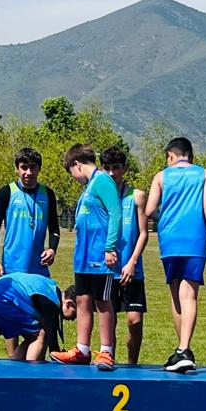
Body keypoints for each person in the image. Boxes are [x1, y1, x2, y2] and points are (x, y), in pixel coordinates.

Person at [145, 137, 206, 373]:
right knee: (189, 296)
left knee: (176, 295)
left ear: (170, 155)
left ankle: (181, 350)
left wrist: (166, 215)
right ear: (190, 155)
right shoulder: (204, 174)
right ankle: (184, 349)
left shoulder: (161, 176)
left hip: (169, 240)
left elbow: (149, 210)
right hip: (195, 239)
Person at [51, 143, 121, 370]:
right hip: (83, 257)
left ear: (77, 164)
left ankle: (106, 351)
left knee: (102, 301)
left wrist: (110, 247)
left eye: (71, 172)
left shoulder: (102, 181)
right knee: (82, 300)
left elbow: (115, 213)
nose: (73, 177)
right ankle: (82, 350)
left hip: (99, 256)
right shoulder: (89, 187)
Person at [0, 146, 61, 355]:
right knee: (13, 321)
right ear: (17, 168)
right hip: (12, 266)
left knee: (41, 321)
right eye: (24, 167)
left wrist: (52, 249)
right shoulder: (7, 192)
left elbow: (55, 229)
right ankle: (13, 361)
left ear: (39, 169)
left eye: (33, 167)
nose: (28, 172)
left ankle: (33, 365)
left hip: (38, 270)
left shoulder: (47, 194)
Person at [101, 146, 149, 365]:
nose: (112, 173)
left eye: (116, 167)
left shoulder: (137, 196)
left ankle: (132, 365)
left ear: (125, 169)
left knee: (134, 321)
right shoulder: (100, 197)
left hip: (132, 270)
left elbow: (143, 233)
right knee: (109, 322)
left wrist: (132, 262)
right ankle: (108, 360)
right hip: (108, 270)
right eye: (107, 168)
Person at [0, 273, 77, 361]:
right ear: (69, 304)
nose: (74, 319)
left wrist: (56, 353)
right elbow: (52, 343)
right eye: (76, 313)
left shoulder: (52, 290)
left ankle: (14, 369)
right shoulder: (51, 304)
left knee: (31, 337)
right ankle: (31, 372)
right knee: (41, 334)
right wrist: (58, 356)